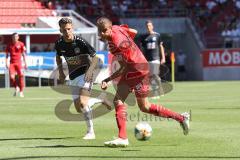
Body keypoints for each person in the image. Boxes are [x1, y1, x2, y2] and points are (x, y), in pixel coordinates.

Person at [97, 17, 190, 147]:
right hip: (141, 67)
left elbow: (123, 67)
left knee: (118, 101)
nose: (101, 34)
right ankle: (181, 118)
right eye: (100, 31)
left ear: (109, 28)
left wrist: (108, 79)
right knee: (145, 107)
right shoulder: (117, 28)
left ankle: (122, 138)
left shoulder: (117, 44)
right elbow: (133, 31)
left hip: (135, 70)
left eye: (104, 31)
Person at [55, 17, 110, 140]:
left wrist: (90, 71)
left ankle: (91, 132)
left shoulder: (80, 42)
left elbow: (95, 57)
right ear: (60, 30)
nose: (67, 32)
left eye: (69, 29)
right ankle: (101, 99)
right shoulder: (59, 44)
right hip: (73, 77)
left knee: (83, 103)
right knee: (79, 109)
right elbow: (58, 57)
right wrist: (61, 73)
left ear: (72, 28)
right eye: (64, 30)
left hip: (86, 74)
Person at [139, 20, 166, 98]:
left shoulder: (157, 35)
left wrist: (163, 57)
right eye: (147, 26)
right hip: (147, 59)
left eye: (150, 25)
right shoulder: (143, 37)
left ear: (152, 26)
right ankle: (159, 91)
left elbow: (161, 47)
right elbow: (142, 49)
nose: (148, 27)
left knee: (154, 75)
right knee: (150, 76)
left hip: (155, 58)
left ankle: (156, 92)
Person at [5, 33, 27, 98]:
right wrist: (6, 62)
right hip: (12, 63)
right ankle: (16, 87)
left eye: (16, 36)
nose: (15, 38)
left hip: (19, 63)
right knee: (12, 77)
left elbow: (23, 54)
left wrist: (25, 63)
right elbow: (6, 55)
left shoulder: (21, 44)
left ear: (18, 37)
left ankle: (21, 91)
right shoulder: (9, 45)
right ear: (12, 38)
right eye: (14, 37)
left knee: (21, 76)